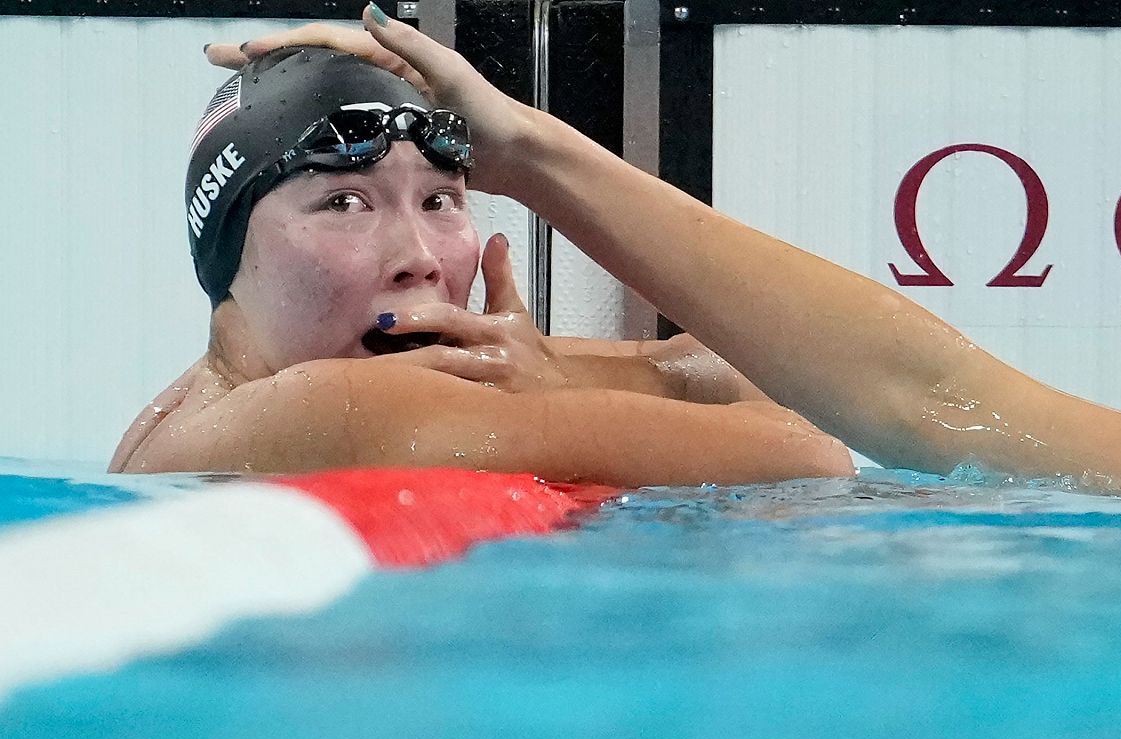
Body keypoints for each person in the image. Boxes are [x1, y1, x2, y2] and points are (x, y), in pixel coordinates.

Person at [212, 8, 1121, 501]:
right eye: (342, 202)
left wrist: (559, 398)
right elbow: (914, 390)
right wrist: (532, 155)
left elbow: (825, 442)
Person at [111, 47, 854, 485]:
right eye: (343, 203)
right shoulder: (322, 406)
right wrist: (554, 388)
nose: (420, 260)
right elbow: (810, 453)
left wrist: (545, 376)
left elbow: (709, 366)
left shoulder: (190, 411)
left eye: (440, 201)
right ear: (226, 250)